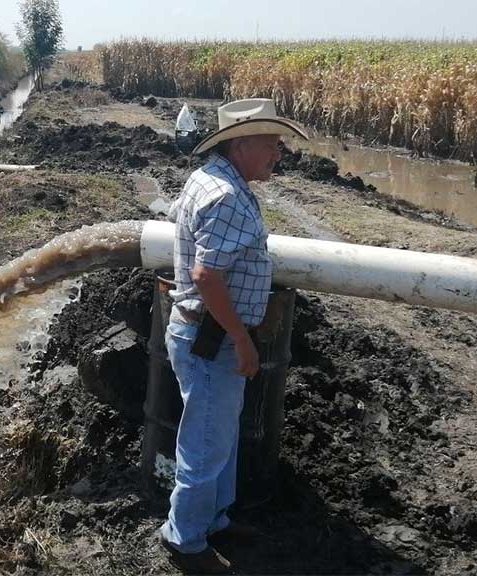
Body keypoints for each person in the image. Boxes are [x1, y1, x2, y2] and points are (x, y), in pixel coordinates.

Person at [158, 98, 308, 574]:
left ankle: (214, 521)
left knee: (218, 437)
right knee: (205, 442)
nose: (278, 153)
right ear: (242, 144)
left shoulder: (210, 178)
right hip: (213, 341)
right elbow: (206, 276)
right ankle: (185, 540)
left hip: (206, 336)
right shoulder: (225, 195)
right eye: (272, 143)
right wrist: (242, 339)